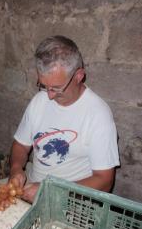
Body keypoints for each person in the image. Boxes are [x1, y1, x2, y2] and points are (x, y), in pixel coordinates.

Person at [9, 35, 120, 203]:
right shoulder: (40, 100)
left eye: (57, 88)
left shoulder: (98, 115)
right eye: (44, 86)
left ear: (79, 76)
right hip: (31, 186)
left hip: (68, 198)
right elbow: (20, 145)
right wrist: (16, 169)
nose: (49, 95)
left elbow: (104, 181)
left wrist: (51, 191)